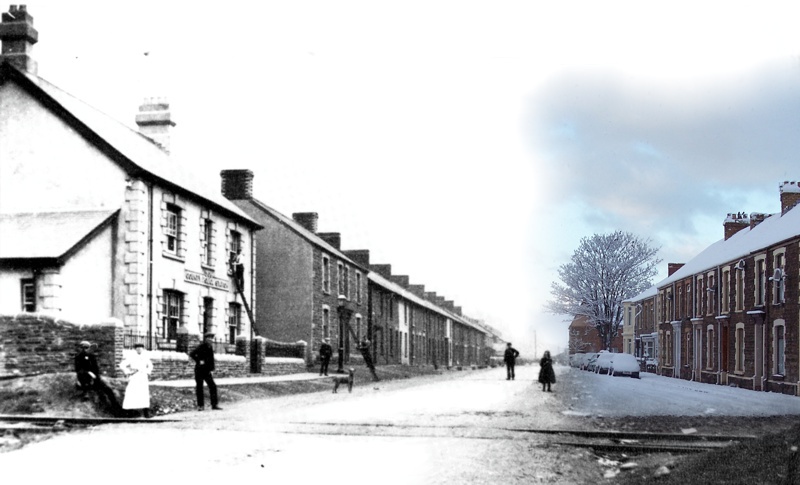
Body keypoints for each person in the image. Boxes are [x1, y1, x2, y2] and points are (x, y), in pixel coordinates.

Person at [74, 341, 122, 416]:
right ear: (81, 348)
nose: (85, 349)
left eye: (87, 348)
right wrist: (88, 372)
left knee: (108, 390)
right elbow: (78, 369)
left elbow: (96, 368)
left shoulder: (92, 356)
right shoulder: (78, 357)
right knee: (84, 382)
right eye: (84, 348)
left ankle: (116, 409)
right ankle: (85, 392)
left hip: (94, 378)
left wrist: (95, 376)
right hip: (84, 377)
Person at [120, 343, 153, 418]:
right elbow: (122, 365)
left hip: (143, 377)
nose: (139, 350)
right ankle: (129, 412)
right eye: (137, 348)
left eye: (141, 348)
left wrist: (147, 372)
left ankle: (146, 413)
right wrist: (129, 372)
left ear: (143, 349)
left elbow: (150, 366)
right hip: (135, 377)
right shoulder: (131, 357)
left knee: (144, 394)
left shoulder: (145, 357)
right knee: (131, 393)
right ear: (135, 349)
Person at [189, 333, 221, 411]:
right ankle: (200, 406)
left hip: (207, 371)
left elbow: (211, 360)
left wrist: (212, 369)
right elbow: (192, 354)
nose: (211, 340)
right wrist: (199, 361)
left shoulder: (210, 347)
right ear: (206, 339)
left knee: (213, 386)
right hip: (199, 370)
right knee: (199, 387)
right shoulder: (201, 346)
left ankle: (214, 405)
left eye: (212, 338)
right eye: (209, 338)